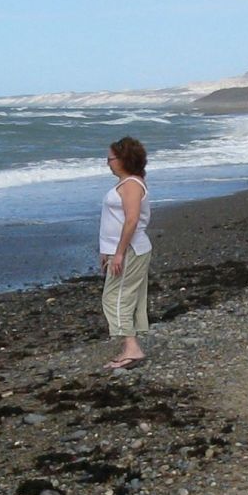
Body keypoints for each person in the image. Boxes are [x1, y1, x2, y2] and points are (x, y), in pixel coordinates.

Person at [97, 136, 153, 370]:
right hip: (123, 249)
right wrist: (106, 251)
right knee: (128, 295)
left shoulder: (131, 184)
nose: (107, 163)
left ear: (122, 159)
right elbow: (115, 220)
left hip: (130, 249)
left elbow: (131, 221)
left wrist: (118, 254)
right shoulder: (129, 182)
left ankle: (132, 348)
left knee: (114, 297)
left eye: (110, 158)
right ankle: (130, 346)